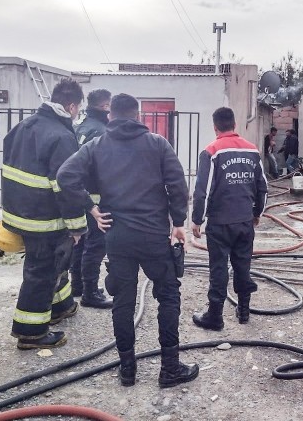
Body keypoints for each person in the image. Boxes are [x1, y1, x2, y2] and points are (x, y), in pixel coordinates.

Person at [57, 93, 199, 388]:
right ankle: (170, 368)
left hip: (117, 236)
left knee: (123, 301)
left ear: (110, 116)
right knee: (169, 296)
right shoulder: (158, 144)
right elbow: (177, 185)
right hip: (152, 235)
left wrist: (92, 209)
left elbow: (65, 175)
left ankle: (127, 370)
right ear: (138, 116)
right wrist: (179, 224)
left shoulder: (97, 146)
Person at [1, 78, 88, 350]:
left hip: (20, 213)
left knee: (56, 264)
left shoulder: (23, 127)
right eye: (79, 108)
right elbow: (66, 186)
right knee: (42, 270)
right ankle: (30, 332)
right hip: (44, 219)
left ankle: (62, 305)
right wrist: (77, 227)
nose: (79, 113)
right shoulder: (62, 137)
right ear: (71, 106)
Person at [191, 107, 268, 331]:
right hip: (244, 221)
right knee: (243, 265)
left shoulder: (211, 151)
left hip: (219, 223)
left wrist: (197, 219)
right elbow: (262, 186)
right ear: (235, 125)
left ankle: (215, 317)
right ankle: (244, 311)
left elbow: (202, 190)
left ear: (215, 127)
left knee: (218, 268)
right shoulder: (252, 150)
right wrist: (257, 213)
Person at [68, 89, 113, 309]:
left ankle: (78, 285)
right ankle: (90, 292)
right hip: (96, 199)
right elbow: (103, 168)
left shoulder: (79, 128)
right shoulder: (102, 132)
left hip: (78, 195)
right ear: (105, 107)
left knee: (80, 242)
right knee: (96, 245)